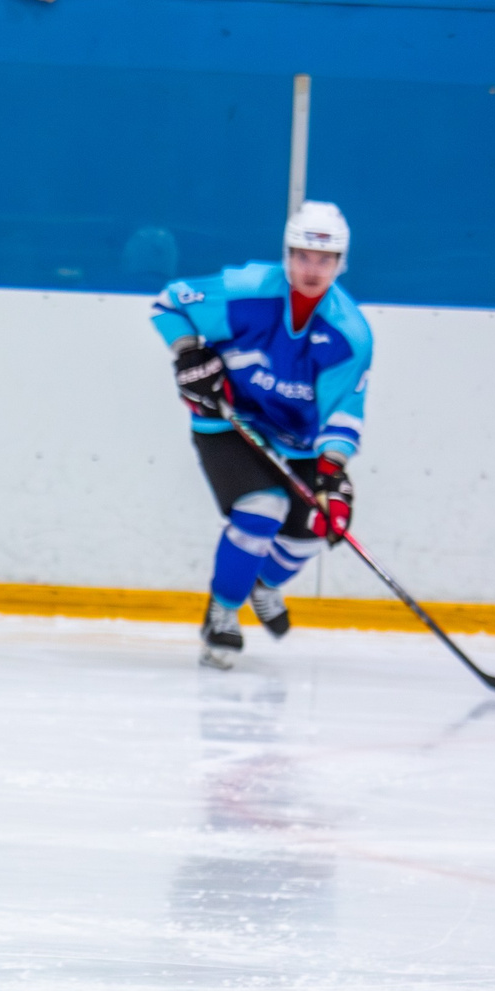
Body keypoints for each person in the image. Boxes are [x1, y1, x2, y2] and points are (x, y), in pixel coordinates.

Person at [152, 201, 375, 669]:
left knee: (314, 528)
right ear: (286, 255)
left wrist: (332, 472)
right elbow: (169, 304)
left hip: (299, 441)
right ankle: (222, 613)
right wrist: (188, 353)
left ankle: (263, 585)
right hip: (228, 421)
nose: (312, 269)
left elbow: (342, 411)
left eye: (325, 259)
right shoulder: (245, 290)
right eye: (302, 256)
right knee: (262, 508)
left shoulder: (350, 334)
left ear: (341, 263)